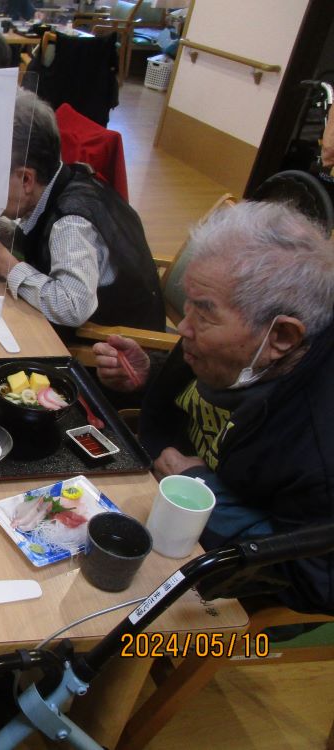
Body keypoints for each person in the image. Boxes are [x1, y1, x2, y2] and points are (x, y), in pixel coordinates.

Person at [93, 201, 334, 613]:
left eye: (203, 314)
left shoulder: (319, 442)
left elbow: (316, 581)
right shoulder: (236, 351)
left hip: (218, 576)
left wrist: (203, 493)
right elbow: (200, 407)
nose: (182, 328)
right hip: (154, 496)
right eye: (188, 304)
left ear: (282, 338)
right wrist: (145, 381)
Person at [0, 90, 164, 338]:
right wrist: (2, 231)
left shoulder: (71, 223)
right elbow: (40, 237)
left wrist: (6, 264)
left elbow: (72, 307)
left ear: (26, 179)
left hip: (114, 352)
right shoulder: (60, 180)